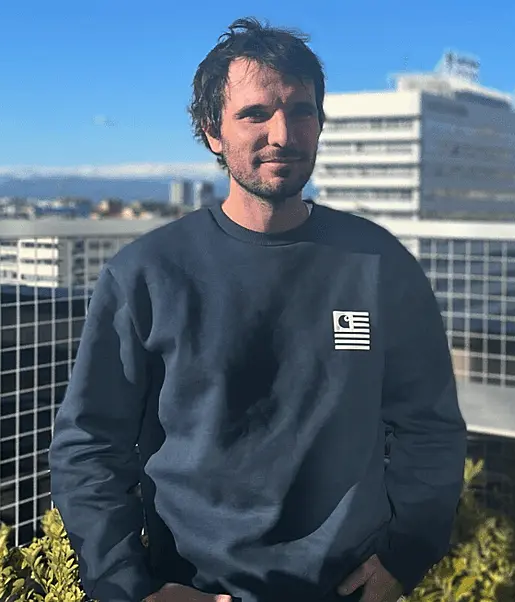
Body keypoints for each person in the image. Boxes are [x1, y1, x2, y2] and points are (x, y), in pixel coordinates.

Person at [48, 16, 467, 602]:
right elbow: (89, 444)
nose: (283, 134)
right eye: (255, 114)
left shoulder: (377, 264)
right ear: (212, 132)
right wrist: (128, 589)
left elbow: (431, 426)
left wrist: (406, 554)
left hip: (347, 585)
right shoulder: (147, 274)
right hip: (193, 586)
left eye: (301, 111)